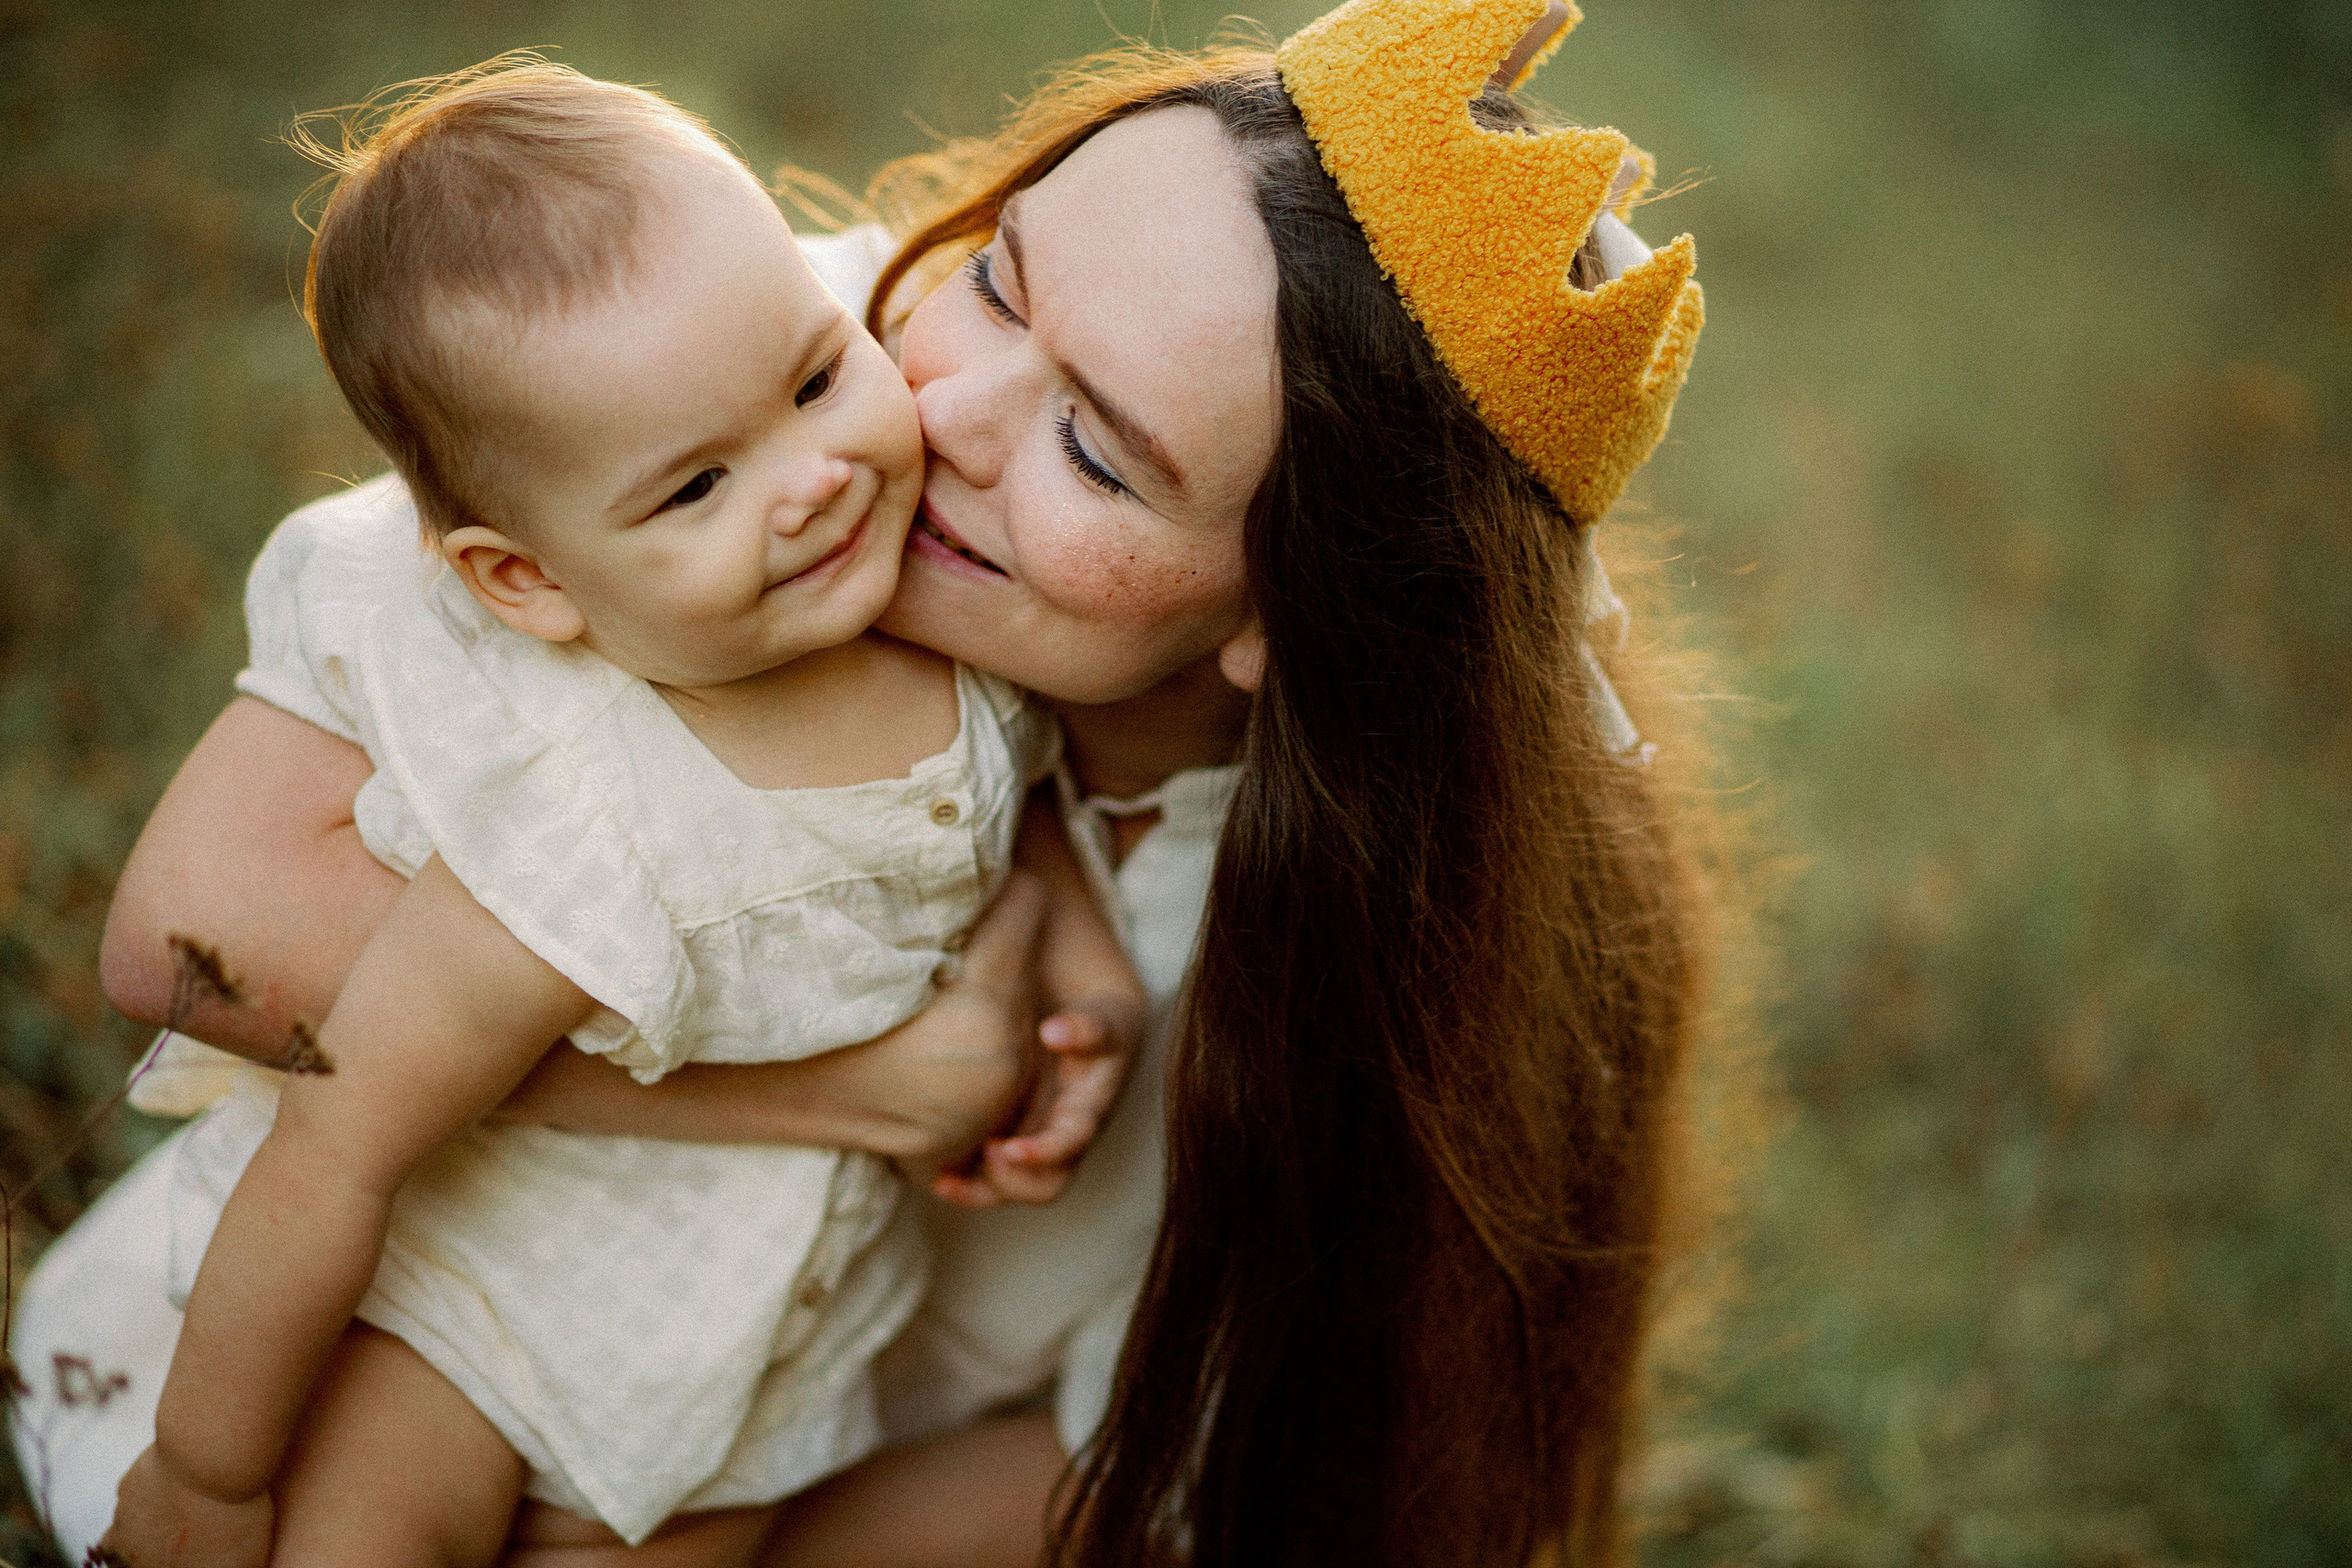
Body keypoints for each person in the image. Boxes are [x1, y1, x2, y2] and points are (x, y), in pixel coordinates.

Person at [20, 2, 1715, 1563]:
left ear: (1301, 627)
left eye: (1095, 452)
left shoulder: (1375, 963)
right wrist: (868, 1082)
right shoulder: (722, 392)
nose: (939, 402)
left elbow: (1158, 1488)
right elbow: (187, 936)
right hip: (390, 1348)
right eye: (999, 272)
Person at [96, 62, 1142, 1566]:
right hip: (475, 1322)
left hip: (746, 1372)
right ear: (525, 580)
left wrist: (1086, 968)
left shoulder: (942, 614)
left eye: (809, 379)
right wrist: (206, 1478)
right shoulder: (581, 835)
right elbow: (337, 1146)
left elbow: (998, 815)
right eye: (697, 486)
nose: (815, 480)